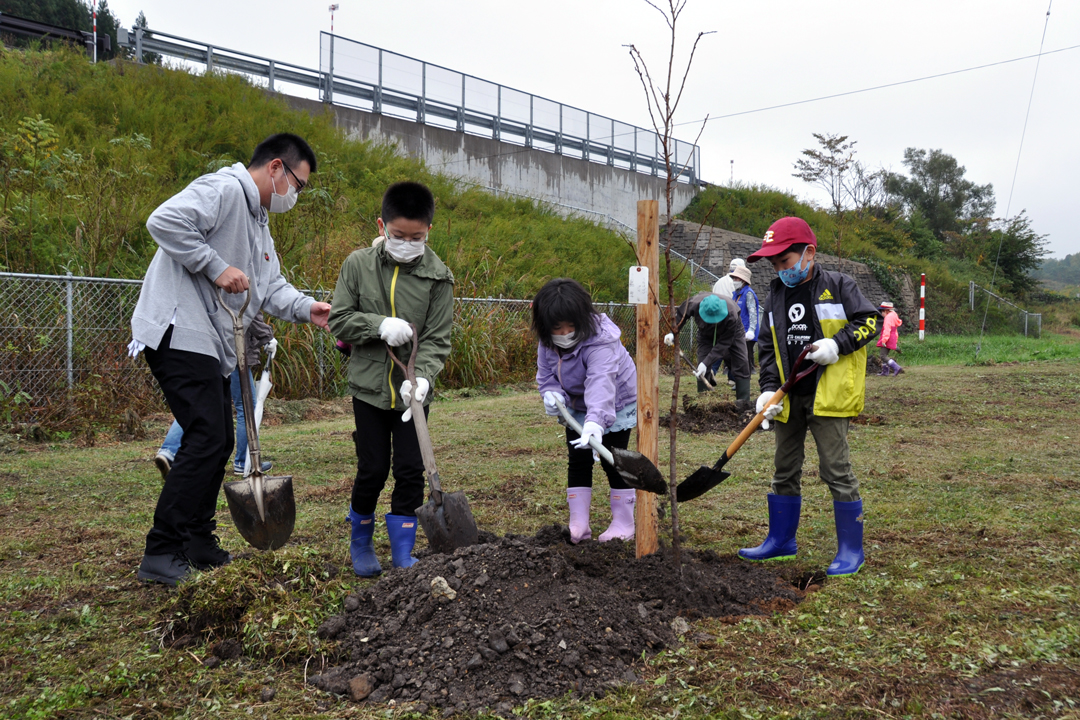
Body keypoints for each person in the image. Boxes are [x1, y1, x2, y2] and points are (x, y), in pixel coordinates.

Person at [128, 133, 332, 586]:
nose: (294, 196)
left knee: (218, 441)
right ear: (276, 168)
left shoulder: (259, 223)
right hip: (180, 329)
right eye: (297, 184)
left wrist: (308, 309)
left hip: (212, 342)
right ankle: (161, 549)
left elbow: (271, 287)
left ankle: (198, 541)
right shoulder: (224, 189)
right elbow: (164, 220)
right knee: (206, 436)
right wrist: (216, 266)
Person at [738, 216, 880, 577]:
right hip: (789, 397)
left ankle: (851, 550)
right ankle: (781, 541)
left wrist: (837, 343)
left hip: (828, 396)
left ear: (809, 253)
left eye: (784, 261)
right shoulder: (775, 295)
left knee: (836, 471)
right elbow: (768, 348)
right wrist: (768, 388)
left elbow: (870, 321)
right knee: (784, 469)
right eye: (774, 264)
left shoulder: (839, 285)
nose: (780, 269)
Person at [328, 181, 454, 577]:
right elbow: (339, 319)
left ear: (429, 231)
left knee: (410, 470)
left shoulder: (439, 278)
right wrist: (379, 324)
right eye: (398, 235)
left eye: (416, 237)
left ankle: (403, 551)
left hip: (412, 393)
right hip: (368, 389)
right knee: (372, 468)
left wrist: (425, 379)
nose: (407, 243)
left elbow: (436, 339)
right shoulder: (358, 264)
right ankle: (361, 543)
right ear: (382, 225)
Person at [534, 278, 638, 544]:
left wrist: (596, 422)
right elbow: (546, 374)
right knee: (577, 459)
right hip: (577, 404)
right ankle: (579, 524)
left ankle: (624, 523)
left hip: (615, 401)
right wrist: (551, 393)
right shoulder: (548, 341)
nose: (566, 332)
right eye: (558, 327)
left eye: (572, 325)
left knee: (613, 459)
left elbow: (601, 383)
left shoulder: (602, 341)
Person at [154, 313, 276, 480]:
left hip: (208, 349)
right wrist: (267, 337)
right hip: (233, 350)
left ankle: (168, 450)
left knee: (200, 401)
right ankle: (243, 461)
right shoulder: (240, 288)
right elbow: (247, 311)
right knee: (247, 406)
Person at [663, 292, 751, 401]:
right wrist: (673, 332)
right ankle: (704, 402)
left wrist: (707, 362)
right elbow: (681, 315)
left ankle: (743, 401)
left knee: (741, 360)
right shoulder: (694, 303)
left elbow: (724, 344)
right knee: (702, 364)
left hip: (732, 332)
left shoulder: (731, 314)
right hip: (705, 332)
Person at [730, 264, 761, 371]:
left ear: (743, 280)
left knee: (744, 355)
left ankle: (745, 376)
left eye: (736, 278)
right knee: (741, 355)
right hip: (738, 329)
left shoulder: (748, 294)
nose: (734, 280)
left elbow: (753, 313)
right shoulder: (736, 294)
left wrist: (751, 330)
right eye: (733, 278)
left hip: (747, 330)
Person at [876, 301, 904, 376]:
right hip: (892, 337)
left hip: (887, 338)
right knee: (885, 354)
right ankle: (885, 372)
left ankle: (896, 367)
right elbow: (894, 330)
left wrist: (884, 340)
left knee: (882, 355)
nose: (881, 313)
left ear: (886, 310)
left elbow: (887, 329)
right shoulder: (894, 315)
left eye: (882, 311)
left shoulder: (888, 318)